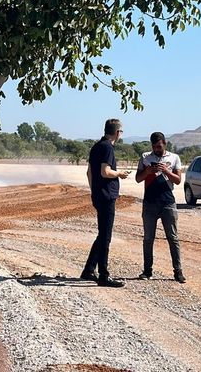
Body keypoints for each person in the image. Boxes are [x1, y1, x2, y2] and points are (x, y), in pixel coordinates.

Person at [80, 118, 130, 287]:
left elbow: (89, 173)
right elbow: (105, 171)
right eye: (121, 132)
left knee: (102, 235)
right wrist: (119, 174)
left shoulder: (96, 146)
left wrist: (94, 191)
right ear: (117, 132)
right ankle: (104, 275)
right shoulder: (108, 147)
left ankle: (88, 270)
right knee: (106, 237)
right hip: (107, 196)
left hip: (98, 195)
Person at [135, 132, 185, 283]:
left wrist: (166, 171)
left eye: (159, 146)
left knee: (173, 238)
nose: (157, 149)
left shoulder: (174, 158)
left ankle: (178, 272)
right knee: (148, 238)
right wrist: (147, 171)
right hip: (149, 203)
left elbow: (178, 181)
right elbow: (138, 178)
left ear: (165, 144)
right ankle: (147, 271)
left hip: (168, 203)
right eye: (154, 146)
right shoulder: (145, 157)